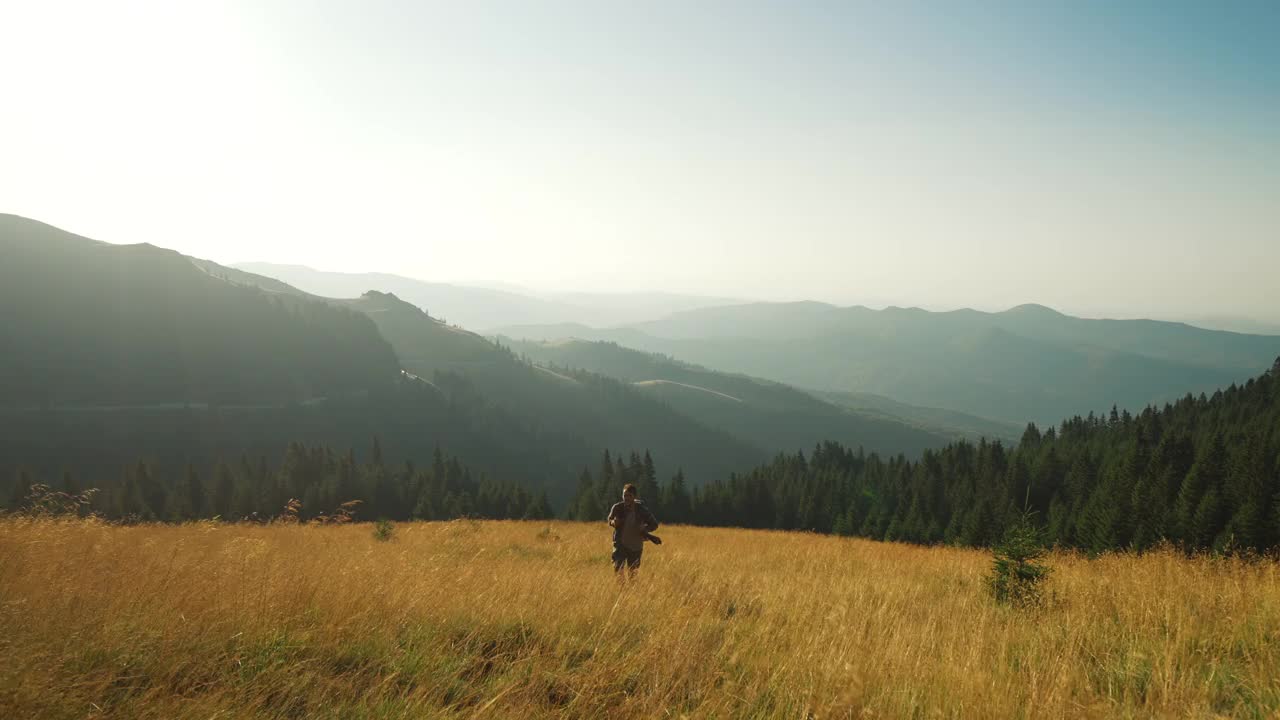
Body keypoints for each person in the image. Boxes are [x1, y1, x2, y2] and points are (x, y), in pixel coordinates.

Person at [607, 483, 659, 577]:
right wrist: (613, 523)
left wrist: (645, 528)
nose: (626, 498)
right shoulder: (617, 507)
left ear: (634, 497)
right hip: (620, 544)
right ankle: (621, 591)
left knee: (633, 574)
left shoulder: (642, 510)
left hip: (636, 547)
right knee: (618, 570)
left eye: (629, 496)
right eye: (624, 495)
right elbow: (609, 520)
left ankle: (632, 591)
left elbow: (654, 525)